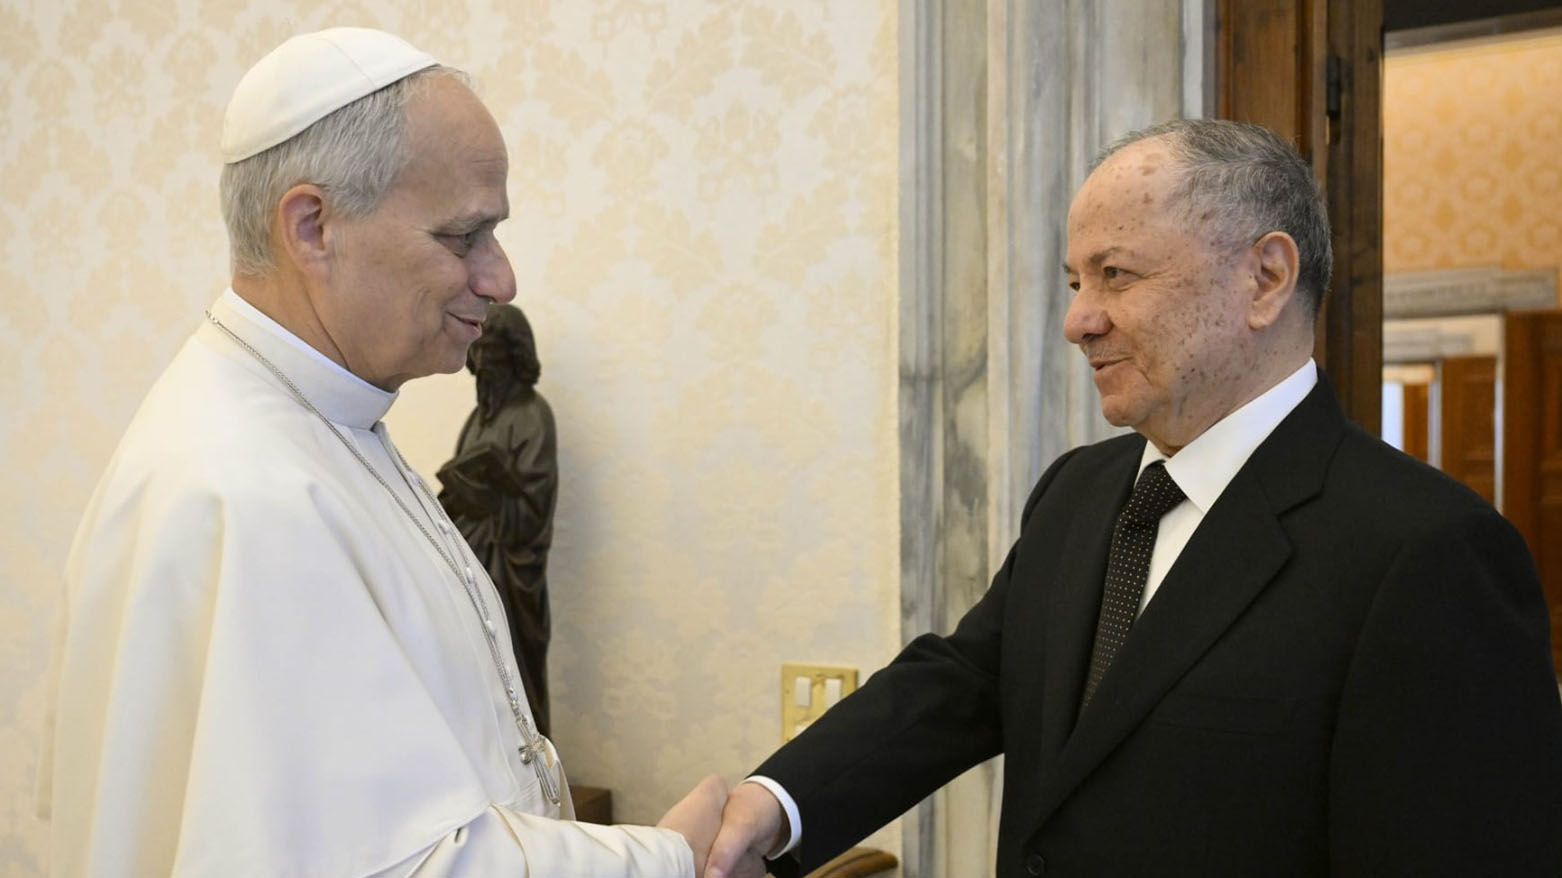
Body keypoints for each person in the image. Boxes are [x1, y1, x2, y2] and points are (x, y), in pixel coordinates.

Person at [706, 119, 1562, 877]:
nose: (1080, 320)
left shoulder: (1429, 550)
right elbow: (968, 680)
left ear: (1265, 278)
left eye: (1115, 275)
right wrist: (776, 803)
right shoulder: (1081, 489)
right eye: (1076, 282)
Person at [39, 27, 722, 877]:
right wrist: (669, 860)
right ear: (313, 226)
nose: (501, 279)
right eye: (463, 236)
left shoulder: (320, 425)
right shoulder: (244, 488)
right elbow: (394, 864)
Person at [438, 303, 558, 737]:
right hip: (473, 564)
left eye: (494, 353)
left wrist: (494, 491)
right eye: (479, 352)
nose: (484, 364)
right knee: (477, 674)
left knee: (517, 668)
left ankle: (537, 774)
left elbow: (532, 511)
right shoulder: (478, 419)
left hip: (511, 573)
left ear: (515, 354)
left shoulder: (532, 415)